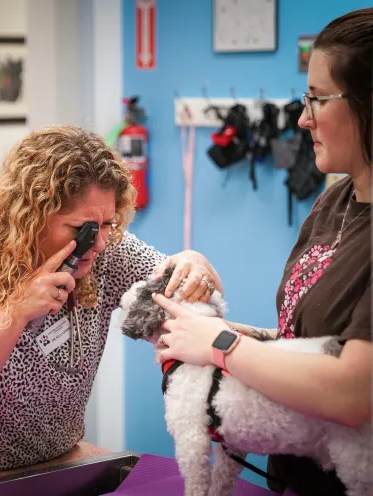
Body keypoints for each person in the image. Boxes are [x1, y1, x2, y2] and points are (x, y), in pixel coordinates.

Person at [0, 125, 222, 479]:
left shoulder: (99, 251)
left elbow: (180, 290)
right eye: (83, 229)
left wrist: (192, 264)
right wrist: (15, 311)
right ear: (28, 216)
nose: (100, 243)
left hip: (47, 471)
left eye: (109, 224)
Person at [153, 8, 372, 496]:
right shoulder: (334, 202)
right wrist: (221, 330)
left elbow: (353, 393)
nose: (302, 117)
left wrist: (222, 346)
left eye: (318, 99)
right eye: (303, 98)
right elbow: (312, 340)